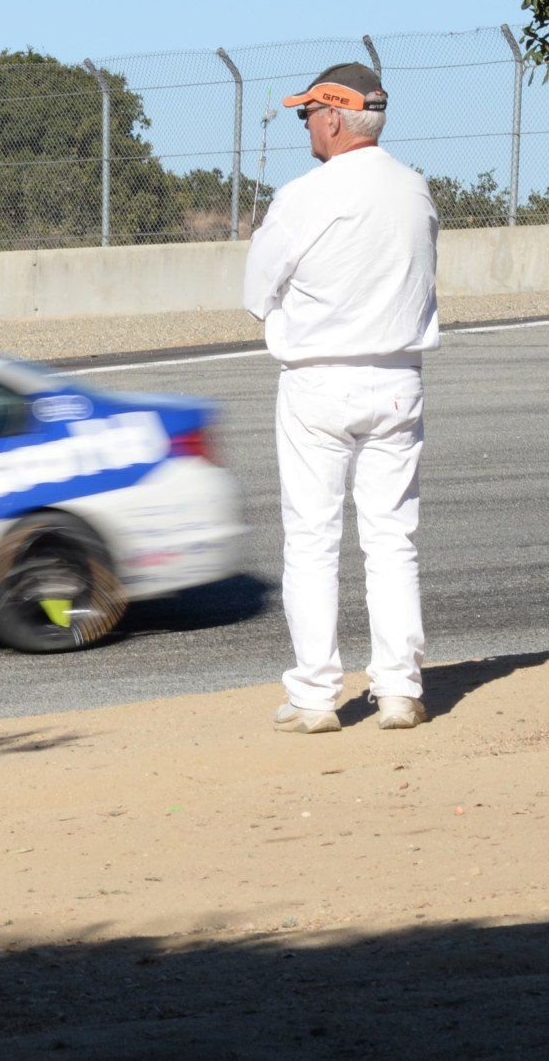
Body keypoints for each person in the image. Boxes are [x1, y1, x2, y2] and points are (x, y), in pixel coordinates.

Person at [242, 62, 439, 734]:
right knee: (392, 539)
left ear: (332, 116)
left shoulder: (304, 196)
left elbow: (253, 293)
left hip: (318, 381)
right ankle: (399, 690)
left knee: (313, 538)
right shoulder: (416, 191)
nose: (305, 127)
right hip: (397, 380)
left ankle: (317, 696)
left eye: (306, 116)